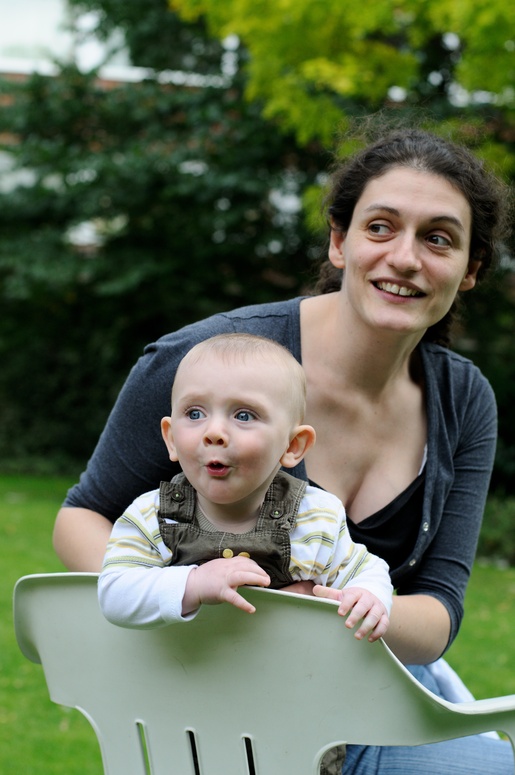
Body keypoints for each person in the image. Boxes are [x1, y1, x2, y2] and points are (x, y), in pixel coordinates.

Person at [54, 127, 514, 773]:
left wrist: (336, 613)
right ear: (339, 241)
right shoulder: (206, 364)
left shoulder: (463, 400)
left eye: (438, 238)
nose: (405, 258)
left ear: (470, 269)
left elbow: (437, 611)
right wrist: (189, 593)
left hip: (371, 696)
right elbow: (81, 517)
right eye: (380, 227)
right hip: (216, 705)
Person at [98, 333, 392, 641]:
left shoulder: (315, 518)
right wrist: (193, 583)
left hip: (283, 667)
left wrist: (366, 595)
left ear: (292, 445)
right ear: (171, 438)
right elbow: (114, 594)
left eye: (243, 415)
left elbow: (366, 570)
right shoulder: (153, 516)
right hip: (186, 665)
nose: (214, 432)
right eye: (195, 413)